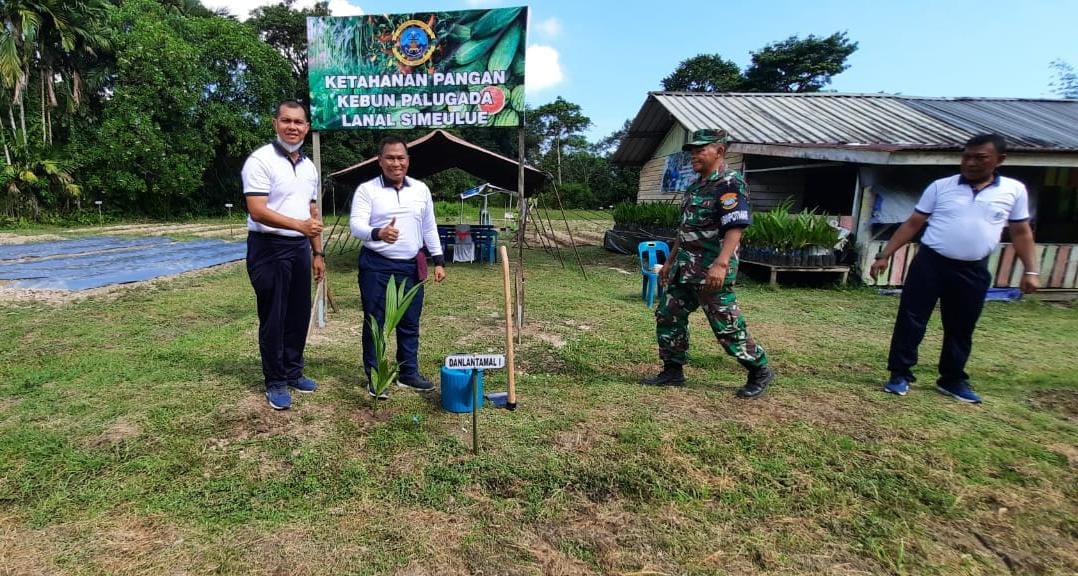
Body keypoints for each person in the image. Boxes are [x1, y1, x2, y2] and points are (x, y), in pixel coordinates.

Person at [870, 133, 1039, 404]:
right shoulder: (941, 187)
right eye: (967, 157)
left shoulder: (1013, 190)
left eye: (980, 158)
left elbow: (1021, 232)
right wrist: (884, 255)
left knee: (962, 325)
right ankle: (899, 374)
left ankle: (952, 379)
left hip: (973, 269)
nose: (971, 163)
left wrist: (1031, 271)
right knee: (911, 320)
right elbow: (913, 223)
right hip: (931, 263)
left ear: (999, 160)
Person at [641, 128, 774, 398]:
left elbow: (735, 226)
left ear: (719, 151)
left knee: (725, 324)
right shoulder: (695, 187)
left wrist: (721, 264)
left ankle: (759, 369)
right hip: (684, 267)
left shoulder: (729, 183)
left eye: (701, 150)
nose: (694, 156)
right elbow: (684, 231)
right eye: (692, 151)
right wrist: (669, 262)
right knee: (668, 314)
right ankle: (672, 370)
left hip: (710, 269)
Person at [242, 100, 325, 410]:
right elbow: (257, 210)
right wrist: (299, 226)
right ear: (275, 123)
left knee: (298, 314)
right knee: (274, 316)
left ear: (306, 127)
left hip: (299, 247)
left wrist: (317, 251)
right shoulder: (260, 160)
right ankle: (275, 380)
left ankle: (293, 371)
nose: (293, 127)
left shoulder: (308, 167)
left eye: (299, 122)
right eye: (286, 120)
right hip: (269, 246)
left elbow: (311, 212)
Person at [350, 135, 446, 399]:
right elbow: (356, 226)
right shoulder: (367, 190)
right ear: (380, 161)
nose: (396, 163)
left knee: (410, 322)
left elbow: (429, 227)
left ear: (408, 160)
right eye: (390, 158)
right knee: (375, 322)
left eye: (400, 158)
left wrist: (438, 260)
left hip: (410, 267)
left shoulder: (421, 190)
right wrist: (378, 232)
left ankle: (408, 372)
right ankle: (376, 376)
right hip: (376, 266)